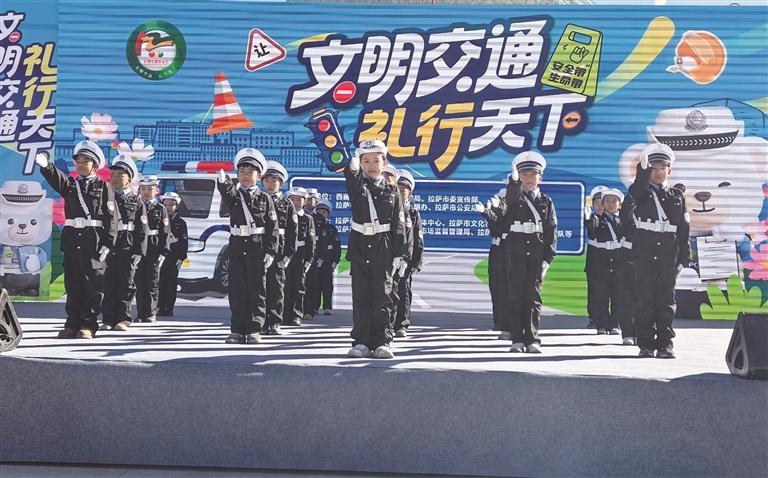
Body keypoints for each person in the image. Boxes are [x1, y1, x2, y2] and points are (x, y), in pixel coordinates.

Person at [35, 141, 118, 339]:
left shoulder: (104, 187)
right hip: (72, 242)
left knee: (92, 286)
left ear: (95, 165)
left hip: (93, 242)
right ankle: (72, 323)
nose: (80, 165)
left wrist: (108, 244)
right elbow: (57, 179)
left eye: (85, 161)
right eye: (78, 161)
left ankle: (88, 324)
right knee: (73, 285)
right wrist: (47, 166)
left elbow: (112, 218)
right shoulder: (72, 185)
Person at [344, 139, 406, 359]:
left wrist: (400, 254)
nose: (371, 165)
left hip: (383, 247)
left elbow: (399, 223)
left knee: (383, 296)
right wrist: (351, 169)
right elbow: (352, 179)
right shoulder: (358, 187)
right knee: (361, 297)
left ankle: (382, 342)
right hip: (360, 246)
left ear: (384, 163)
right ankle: (361, 342)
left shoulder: (392, 191)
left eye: (376, 161)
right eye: (366, 161)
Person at [628, 142, 690, 358]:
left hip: (668, 255)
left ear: (669, 171)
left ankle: (665, 344)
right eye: (653, 168)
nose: (658, 172)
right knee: (644, 301)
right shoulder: (640, 192)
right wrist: (643, 170)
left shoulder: (676, 196)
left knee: (666, 302)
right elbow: (637, 188)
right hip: (644, 254)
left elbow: (684, 228)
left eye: (662, 168)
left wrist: (684, 258)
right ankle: (645, 344)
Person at [217, 148, 279, 344]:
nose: (245, 175)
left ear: (259, 176)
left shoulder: (265, 198)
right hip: (236, 246)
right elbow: (227, 192)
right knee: (237, 290)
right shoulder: (234, 195)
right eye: (242, 172)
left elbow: (273, 228)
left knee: (256, 290)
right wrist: (222, 183)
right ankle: (237, 330)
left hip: (256, 248)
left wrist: (271, 251)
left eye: (250, 172)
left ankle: (254, 329)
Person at [501, 151, 557, 354]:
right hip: (515, 255)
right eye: (524, 175)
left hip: (536, 256)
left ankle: (533, 339)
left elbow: (552, 231)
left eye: (533, 174)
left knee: (533, 298)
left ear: (540, 177)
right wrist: (513, 183)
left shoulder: (546, 201)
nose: (529, 179)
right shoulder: (513, 198)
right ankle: (517, 339)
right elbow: (509, 202)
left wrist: (547, 259)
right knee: (516, 297)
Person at [101, 155, 147, 332]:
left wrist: (139, 252)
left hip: (127, 247)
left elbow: (142, 229)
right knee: (108, 283)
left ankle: (123, 318)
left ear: (129, 179)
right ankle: (107, 318)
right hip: (109, 247)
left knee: (126, 284)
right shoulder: (106, 198)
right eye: (112, 175)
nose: (115, 178)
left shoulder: (136, 201)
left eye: (120, 175)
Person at [261, 161, 297, 335]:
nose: (270, 184)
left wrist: (289, 254)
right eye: (266, 180)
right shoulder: (259, 200)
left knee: (276, 287)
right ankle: (260, 321)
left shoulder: (287, 203)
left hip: (280, 250)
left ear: (281, 183)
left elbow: (292, 231)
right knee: (259, 288)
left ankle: (274, 322)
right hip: (261, 248)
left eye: (273, 180)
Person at [585, 188, 624, 335]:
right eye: (607, 201)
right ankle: (601, 324)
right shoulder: (596, 218)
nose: (610, 204)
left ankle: (615, 324)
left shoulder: (624, 219)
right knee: (600, 295)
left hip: (618, 261)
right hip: (600, 262)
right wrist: (593, 216)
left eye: (614, 201)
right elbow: (591, 229)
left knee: (617, 295)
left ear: (620, 204)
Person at [135, 175, 170, 323]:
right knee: (139, 281)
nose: (146, 192)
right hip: (139, 247)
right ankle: (140, 313)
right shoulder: (136, 206)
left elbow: (166, 231)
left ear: (156, 190)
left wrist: (164, 251)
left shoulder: (160, 208)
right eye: (143, 188)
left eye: (149, 188)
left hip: (154, 246)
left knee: (152, 282)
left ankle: (150, 313)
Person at [392, 169, 423, 337]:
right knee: (388, 291)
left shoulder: (413, 213)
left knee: (404, 291)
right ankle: (387, 323)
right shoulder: (388, 209)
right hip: (389, 258)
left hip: (406, 260)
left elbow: (418, 240)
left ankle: (401, 324)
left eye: (404, 190)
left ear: (410, 193)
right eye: (398, 188)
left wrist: (416, 262)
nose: (400, 192)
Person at [475, 188, 508, 333]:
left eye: (502, 199)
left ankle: (507, 321)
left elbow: (502, 224)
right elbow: (495, 226)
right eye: (499, 199)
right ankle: (498, 321)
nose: (499, 201)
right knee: (495, 287)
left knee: (506, 289)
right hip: (496, 251)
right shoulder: (496, 211)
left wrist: (487, 213)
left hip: (507, 250)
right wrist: (486, 212)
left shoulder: (513, 211)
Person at [284, 186, 315, 327]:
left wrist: (309, 259)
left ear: (304, 201)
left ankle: (297, 314)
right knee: (285, 286)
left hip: (300, 254)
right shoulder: (284, 216)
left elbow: (311, 240)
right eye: (292, 199)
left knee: (299, 286)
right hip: (286, 254)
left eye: (299, 199)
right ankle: (285, 314)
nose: (295, 202)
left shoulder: (308, 219)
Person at [157, 192, 188, 317]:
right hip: (161, 255)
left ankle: (169, 307)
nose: (168, 207)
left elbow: (184, 241)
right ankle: (160, 306)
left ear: (177, 206)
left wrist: (181, 257)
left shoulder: (181, 223)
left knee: (171, 282)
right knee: (160, 281)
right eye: (166, 204)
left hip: (174, 256)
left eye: (171, 205)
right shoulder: (159, 219)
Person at [584, 185, 607, 329]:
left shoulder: (616, 218)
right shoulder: (590, 217)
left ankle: (612, 321)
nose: (599, 205)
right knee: (593, 291)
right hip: (594, 260)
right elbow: (592, 230)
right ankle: (594, 319)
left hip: (612, 261)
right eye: (596, 202)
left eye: (602, 202)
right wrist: (589, 217)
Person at [616, 192, 637, 345]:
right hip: (628, 258)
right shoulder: (631, 199)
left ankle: (643, 332)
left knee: (646, 298)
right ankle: (628, 332)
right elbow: (624, 215)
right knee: (627, 297)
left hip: (650, 258)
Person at [313, 199, 341, 316]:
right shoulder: (313, 226)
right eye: (319, 211)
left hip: (328, 262)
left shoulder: (331, 228)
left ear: (328, 214)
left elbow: (336, 246)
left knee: (327, 285)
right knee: (315, 284)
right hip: (315, 261)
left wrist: (335, 261)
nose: (322, 214)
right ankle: (314, 306)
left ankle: (327, 307)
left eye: (324, 212)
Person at [303, 188, 321, 321]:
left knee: (312, 283)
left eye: (312, 199)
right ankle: (298, 309)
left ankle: (310, 309)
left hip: (315, 255)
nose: (310, 201)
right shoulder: (298, 215)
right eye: (308, 198)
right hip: (301, 252)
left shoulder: (319, 218)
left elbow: (324, 239)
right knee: (298, 282)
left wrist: (322, 257)